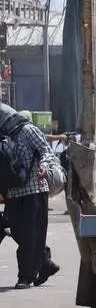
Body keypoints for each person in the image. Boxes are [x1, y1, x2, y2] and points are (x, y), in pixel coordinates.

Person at [0, 104, 58, 290]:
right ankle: (45, 262)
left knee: (31, 233)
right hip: (12, 192)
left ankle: (25, 276)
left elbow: (45, 150)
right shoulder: (2, 136)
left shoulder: (27, 130)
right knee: (19, 232)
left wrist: (45, 165)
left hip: (34, 189)